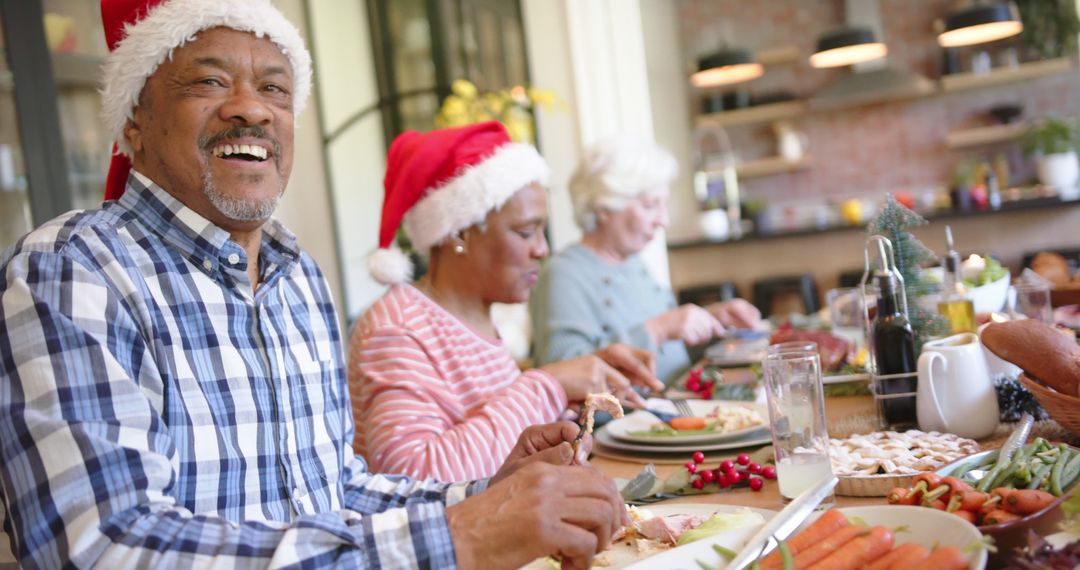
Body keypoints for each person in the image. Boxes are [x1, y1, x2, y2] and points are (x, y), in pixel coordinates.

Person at [0, 1, 625, 568]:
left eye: (275, 87)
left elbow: (334, 491)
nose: (252, 107)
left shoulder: (297, 276)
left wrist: (487, 493)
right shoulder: (70, 270)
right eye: (210, 80)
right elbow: (101, 546)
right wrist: (461, 534)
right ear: (134, 123)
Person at [352, 121, 664, 482]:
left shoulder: (474, 316)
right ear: (459, 233)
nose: (542, 248)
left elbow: (499, 449)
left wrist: (578, 387)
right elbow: (412, 479)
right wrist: (549, 385)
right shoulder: (398, 327)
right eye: (525, 232)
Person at [530, 137, 763, 385]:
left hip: (675, 407)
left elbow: (668, 356)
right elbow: (559, 377)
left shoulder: (634, 264)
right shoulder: (562, 275)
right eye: (651, 205)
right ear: (604, 207)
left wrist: (712, 322)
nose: (663, 220)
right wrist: (660, 328)